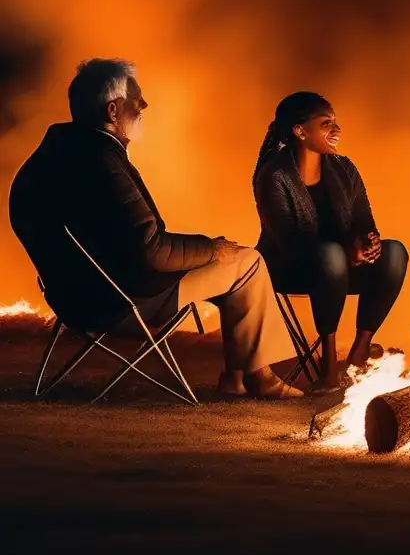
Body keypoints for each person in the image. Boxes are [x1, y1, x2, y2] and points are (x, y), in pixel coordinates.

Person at [9, 59, 302, 399]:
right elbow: (153, 252)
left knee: (226, 265)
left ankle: (235, 380)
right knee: (246, 262)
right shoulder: (103, 164)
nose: (144, 105)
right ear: (113, 110)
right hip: (122, 303)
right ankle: (260, 379)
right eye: (136, 98)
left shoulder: (49, 157)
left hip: (72, 300)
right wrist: (210, 247)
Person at [253, 92, 408, 392]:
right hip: (290, 267)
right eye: (326, 124)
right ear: (300, 131)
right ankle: (328, 370)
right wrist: (348, 254)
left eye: (335, 123)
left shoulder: (344, 168)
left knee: (394, 252)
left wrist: (367, 243)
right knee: (330, 255)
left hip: (341, 266)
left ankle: (359, 352)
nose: (337, 130)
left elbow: (364, 221)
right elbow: (289, 242)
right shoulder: (274, 174)